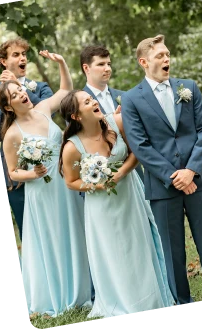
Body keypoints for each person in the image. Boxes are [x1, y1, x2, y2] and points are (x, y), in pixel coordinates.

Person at [58, 90, 175, 318]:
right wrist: (96, 185)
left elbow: (136, 152)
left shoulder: (117, 122)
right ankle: (123, 301)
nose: (94, 101)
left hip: (130, 195)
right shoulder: (72, 147)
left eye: (92, 99)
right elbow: (71, 182)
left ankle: (150, 298)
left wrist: (119, 173)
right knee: (115, 253)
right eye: (87, 102)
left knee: (138, 246)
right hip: (101, 207)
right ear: (76, 116)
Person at [0, 50, 91, 317]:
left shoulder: (43, 109)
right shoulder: (12, 135)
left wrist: (61, 63)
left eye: (20, 90)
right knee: (53, 238)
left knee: (74, 231)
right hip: (41, 191)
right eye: (15, 95)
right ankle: (59, 293)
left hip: (65, 183)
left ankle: (82, 291)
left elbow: (65, 90)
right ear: (8, 107)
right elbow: (13, 172)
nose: (22, 94)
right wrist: (33, 174)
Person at [121, 35, 202, 306]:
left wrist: (191, 170)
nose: (166, 59)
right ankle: (182, 303)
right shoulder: (131, 99)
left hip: (198, 181)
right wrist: (174, 177)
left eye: (168, 55)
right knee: (172, 252)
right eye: (160, 56)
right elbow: (140, 145)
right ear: (143, 62)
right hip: (163, 186)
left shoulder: (189, 87)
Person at [0, 38, 54, 246]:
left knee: (56, 223)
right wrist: (3, 93)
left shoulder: (41, 88)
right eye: (16, 55)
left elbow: (49, 114)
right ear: (3, 62)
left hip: (49, 168)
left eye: (24, 54)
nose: (22, 58)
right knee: (29, 232)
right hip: (15, 175)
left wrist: (20, 88)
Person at [80, 45, 144, 182]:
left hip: (135, 171)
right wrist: (113, 123)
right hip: (102, 177)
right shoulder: (78, 104)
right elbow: (82, 140)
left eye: (109, 64)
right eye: (101, 64)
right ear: (86, 68)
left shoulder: (126, 97)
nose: (107, 68)